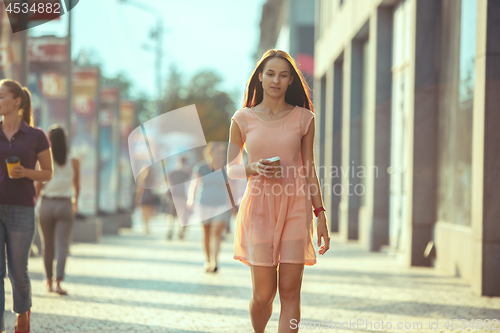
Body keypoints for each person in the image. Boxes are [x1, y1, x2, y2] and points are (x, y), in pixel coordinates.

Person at [226, 49, 330, 332]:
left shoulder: (304, 118)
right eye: (270, 73)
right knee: (263, 295)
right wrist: (254, 168)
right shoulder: (243, 118)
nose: (276, 80)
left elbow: (309, 169)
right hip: (259, 210)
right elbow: (231, 168)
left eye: (283, 75)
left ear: (290, 82)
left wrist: (320, 214)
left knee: (289, 291)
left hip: (296, 208)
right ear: (259, 77)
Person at [0, 79, 53, 333]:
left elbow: (48, 173)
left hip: (22, 208)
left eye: (1, 96)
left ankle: (22, 314)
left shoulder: (36, 136)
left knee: (18, 271)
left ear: (16, 101)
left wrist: (26, 173)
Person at [35, 125, 80, 296]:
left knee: (47, 246)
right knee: (62, 245)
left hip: (46, 204)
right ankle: (59, 282)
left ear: (49, 141)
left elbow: (38, 185)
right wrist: (76, 201)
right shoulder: (74, 161)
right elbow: (78, 185)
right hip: (65, 205)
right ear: (65, 140)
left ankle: (48, 281)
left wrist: (32, 201)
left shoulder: (44, 160)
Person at [187, 143, 233, 273]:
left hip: (221, 205)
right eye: (217, 152)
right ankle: (207, 261)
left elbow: (230, 187)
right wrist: (191, 199)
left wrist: (233, 204)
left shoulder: (226, 168)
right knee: (206, 233)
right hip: (204, 204)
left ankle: (215, 261)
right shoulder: (201, 168)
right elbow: (194, 184)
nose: (220, 155)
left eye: (222, 152)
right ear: (210, 153)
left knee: (217, 233)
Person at [165, 155, 191, 240]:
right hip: (183, 196)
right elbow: (189, 185)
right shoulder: (187, 173)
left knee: (172, 214)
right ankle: (181, 231)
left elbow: (168, 184)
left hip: (174, 196)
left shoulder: (172, 173)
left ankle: (170, 230)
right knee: (184, 214)